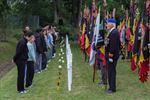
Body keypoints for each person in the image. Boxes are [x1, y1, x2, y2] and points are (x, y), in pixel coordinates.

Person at [105, 18, 120, 93]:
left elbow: (113, 47)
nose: (107, 25)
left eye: (108, 23)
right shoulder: (112, 32)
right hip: (111, 55)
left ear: (112, 24)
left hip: (112, 56)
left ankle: (112, 88)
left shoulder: (114, 33)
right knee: (110, 71)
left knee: (112, 71)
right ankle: (110, 87)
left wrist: (110, 57)